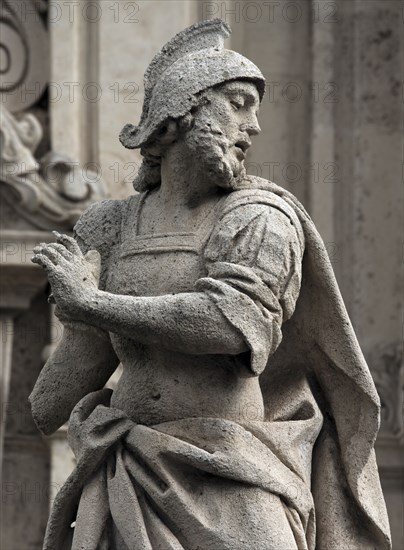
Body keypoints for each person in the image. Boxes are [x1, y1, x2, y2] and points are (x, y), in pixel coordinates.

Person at [30, 19, 391, 550]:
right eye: (240, 103)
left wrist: (92, 302)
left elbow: (228, 325)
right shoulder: (107, 228)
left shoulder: (263, 216)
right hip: (128, 478)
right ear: (181, 112)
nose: (255, 126)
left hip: (238, 478)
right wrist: (70, 315)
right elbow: (52, 401)